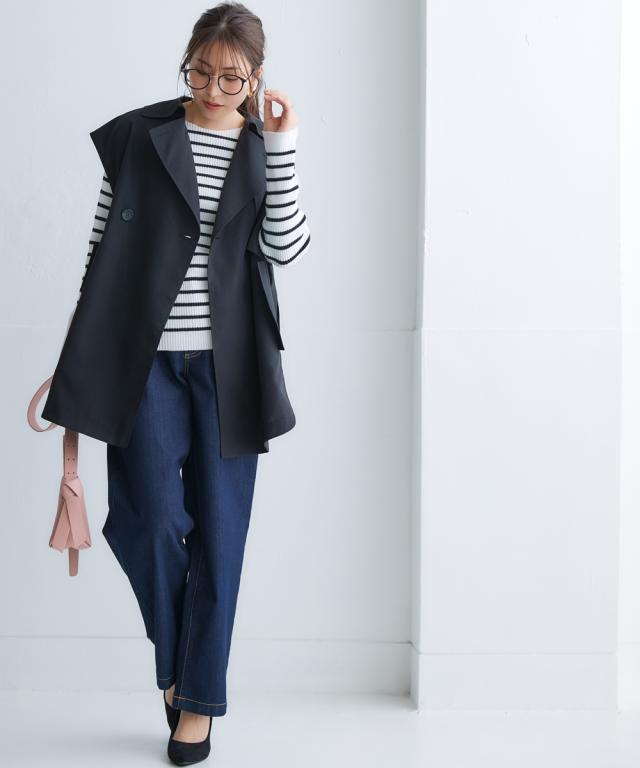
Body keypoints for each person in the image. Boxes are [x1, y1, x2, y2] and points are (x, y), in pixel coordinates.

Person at [65, 4, 310, 764]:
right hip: (144, 362)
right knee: (145, 519)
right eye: (199, 71)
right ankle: (184, 666)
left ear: (255, 77)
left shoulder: (263, 148)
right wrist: (78, 350)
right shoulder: (142, 136)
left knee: (220, 534)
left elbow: (287, 247)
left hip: (232, 368)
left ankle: (195, 701)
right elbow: (102, 248)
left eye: (230, 78)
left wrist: (284, 145)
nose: (210, 88)